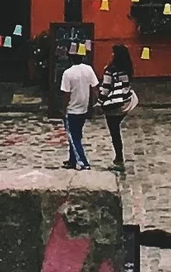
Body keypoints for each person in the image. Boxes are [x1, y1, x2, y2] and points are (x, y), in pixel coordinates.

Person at [96, 44, 138, 175]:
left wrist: (99, 102)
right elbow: (126, 86)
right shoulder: (126, 69)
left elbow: (106, 89)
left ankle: (119, 159)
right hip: (125, 103)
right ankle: (118, 158)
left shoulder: (110, 70)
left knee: (114, 132)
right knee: (116, 131)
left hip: (113, 106)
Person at [57, 45, 98, 170]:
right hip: (83, 107)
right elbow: (95, 87)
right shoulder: (88, 69)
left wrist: (63, 108)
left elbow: (66, 94)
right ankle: (72, 160)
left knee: (73, 137)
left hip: (72, 109)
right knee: (76, 135)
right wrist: (95, 103)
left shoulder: (68, 73)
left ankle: (83, 162)